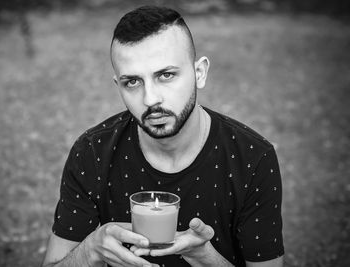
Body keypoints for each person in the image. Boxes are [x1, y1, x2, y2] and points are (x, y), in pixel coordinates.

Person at [42, 5, 284, 267]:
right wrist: (90, 250)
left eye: (166, 75)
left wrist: (204, 257)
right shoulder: (92, 152)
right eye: (132, 82)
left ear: (199, 73)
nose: (150, 99)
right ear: (118, 86)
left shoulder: (252, 157)